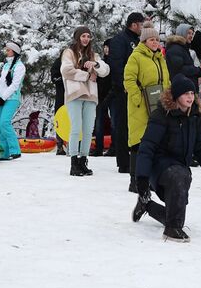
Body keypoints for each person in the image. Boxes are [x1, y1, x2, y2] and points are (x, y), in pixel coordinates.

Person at [130, 71, 201, 242]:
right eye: (185, 93)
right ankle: (172, 230)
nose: (190, 97)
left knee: (175, 212)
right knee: (179, 178)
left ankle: (148, 206)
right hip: (158, 167)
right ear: (176, 96)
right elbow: (147, 147)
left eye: (192, 93)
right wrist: (142, 179)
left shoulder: (194, 116)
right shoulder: (161, 115)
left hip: (180, 168)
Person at [124, 27, 169, 193]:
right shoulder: (136, 56)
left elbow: (166, 80)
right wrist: (137, 98)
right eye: (152, 40)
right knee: (138, 142)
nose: (155, 42)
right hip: (140, 105)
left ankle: (149, 178)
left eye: (157, 40)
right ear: (144, 41)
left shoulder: (160, 58)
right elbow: (128, 79)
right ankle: (134, 180)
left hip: (157, 103)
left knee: (153, 141)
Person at [103, 13, 146, 174]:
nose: (142, 27)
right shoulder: (120, 40)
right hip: (122, 91)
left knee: (135, 125)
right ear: (134, 25)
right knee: (122, 125)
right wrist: (124, 85)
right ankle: (123, 162)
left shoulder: (139, 41)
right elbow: (117, 65)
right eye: (141, 24)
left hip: (138, 90)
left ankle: (135, 158)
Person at [61, 26, 107, 176]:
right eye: (83, 36)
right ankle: (74, 161)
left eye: (88, 36)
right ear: (77, 37)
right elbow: (66, 71)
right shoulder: (69, 53)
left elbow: (105, 71)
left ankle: (83, 160)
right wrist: (86, 75)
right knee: (76, 128)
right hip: (75, 94)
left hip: (91, 95)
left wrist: (96, 65)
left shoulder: (94, 55)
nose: (86, 39)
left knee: (88, 130)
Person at [0, 41, 26, 160]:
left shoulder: (20, 66)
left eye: (8, 50)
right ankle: (4, 152)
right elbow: (0, 82)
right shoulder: (6, 65)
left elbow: (15, 85)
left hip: (11, 98)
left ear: (14, 52)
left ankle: (15, 150)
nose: (6, 52)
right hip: (2, 98)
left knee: (4, 123)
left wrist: (3, 97)